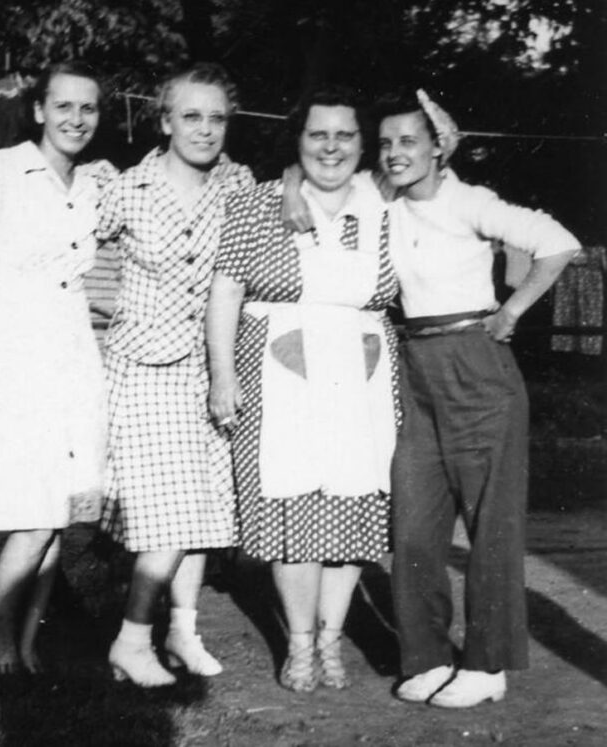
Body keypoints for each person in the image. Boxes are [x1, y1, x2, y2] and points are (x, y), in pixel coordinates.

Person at [375, 90, 580, 707]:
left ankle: (488, 665)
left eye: (408, 141)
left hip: (476, 366)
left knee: (490, 524)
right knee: (413, 524)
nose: (393, 154)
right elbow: (316, 172)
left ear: (438, 146)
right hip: (414, 366)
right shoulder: (385, 199)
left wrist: (512, 309)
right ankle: (427, 656)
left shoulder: (468, 201)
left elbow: (559, 241)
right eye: (385, 143)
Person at [206, 87, 400, 692]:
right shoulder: (257, 204)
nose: (331, 146)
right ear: (297, 141)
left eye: (345, 135)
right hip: (278, 371)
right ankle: (297, 645)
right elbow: (226, 295)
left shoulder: (384, 206)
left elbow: (433, 155)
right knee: (294, 511)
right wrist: (221, 373)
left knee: (353, 507)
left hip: (363, 374)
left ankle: (331, 641)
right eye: (318, 134)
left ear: (363, 146)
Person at [0, 62, 112, 677]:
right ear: (39, 110)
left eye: (88, 109)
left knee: (58, 510)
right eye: (63, 106)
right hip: (12, 348)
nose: (75, 119)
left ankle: (27, 644)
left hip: (71, 352)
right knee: (31, 511)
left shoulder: (97, 182)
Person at [96, 63, 255, 687]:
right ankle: (131, 640)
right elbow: (71, 245)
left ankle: (183, 632)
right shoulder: (124, 189)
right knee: (167, 511)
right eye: (191, 116)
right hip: (143, 366)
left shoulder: (241, 184)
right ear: (164, 122)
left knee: (207, 509)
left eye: (217, 118)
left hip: (212, 365)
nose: (206, 129)